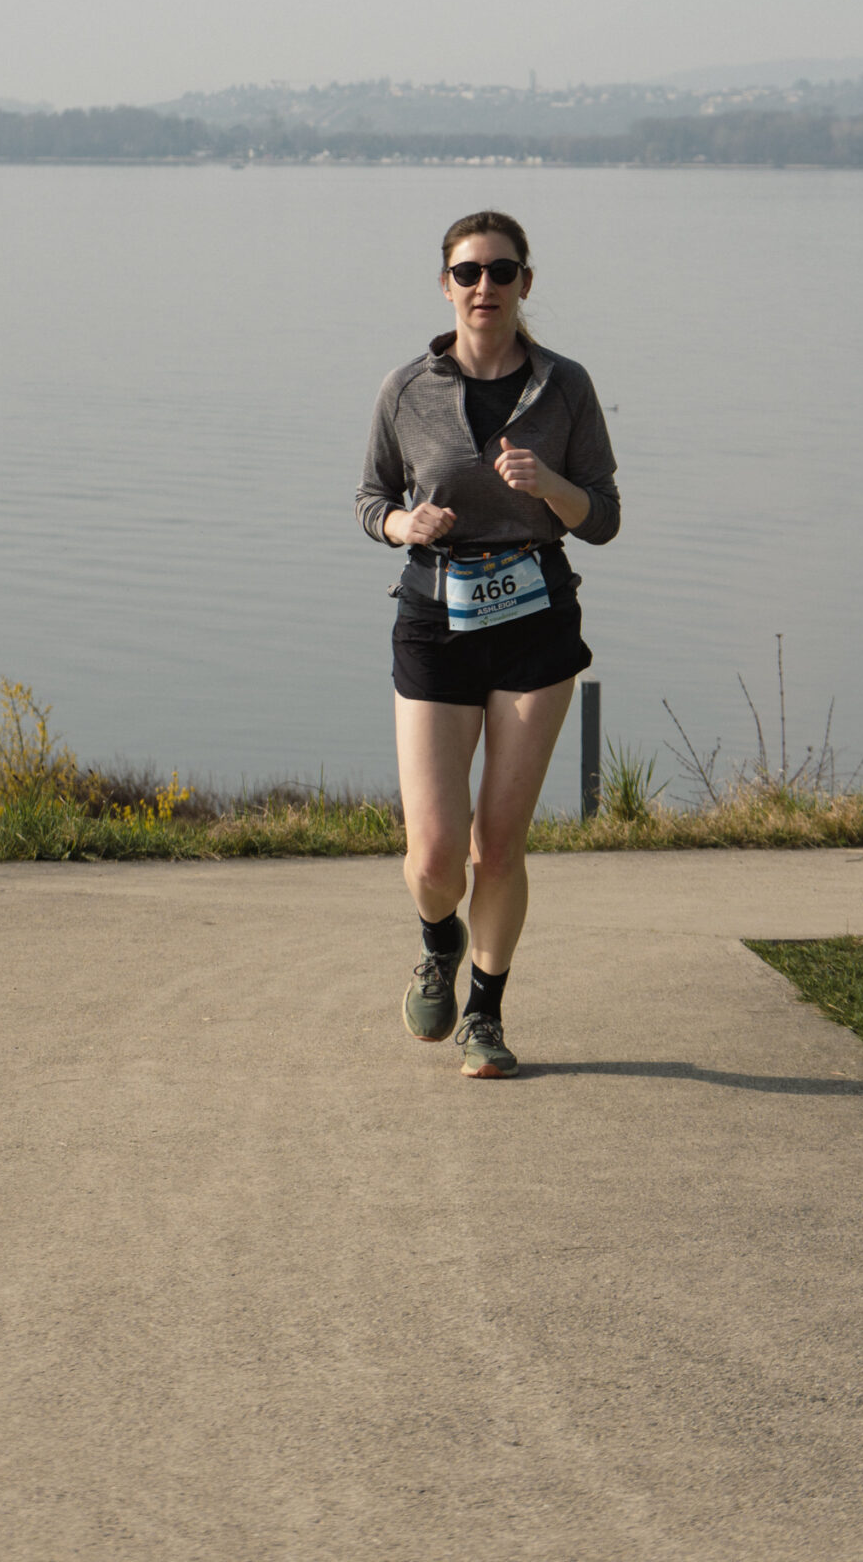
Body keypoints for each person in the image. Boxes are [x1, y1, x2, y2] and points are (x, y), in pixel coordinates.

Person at [356, 210, 619, 1078]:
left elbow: (603, 517)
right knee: (435, 855)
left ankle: (484, 1014)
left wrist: (550, 487)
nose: (484, 287)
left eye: (501, 271)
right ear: (445, 286)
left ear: (524, 284)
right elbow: (368, 500)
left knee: (498, 845)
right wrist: (402, 525)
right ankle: (439, 939)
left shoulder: (565, 386)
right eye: (468, 272)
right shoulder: (406, 389)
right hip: (434, 623)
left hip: (536, 622)